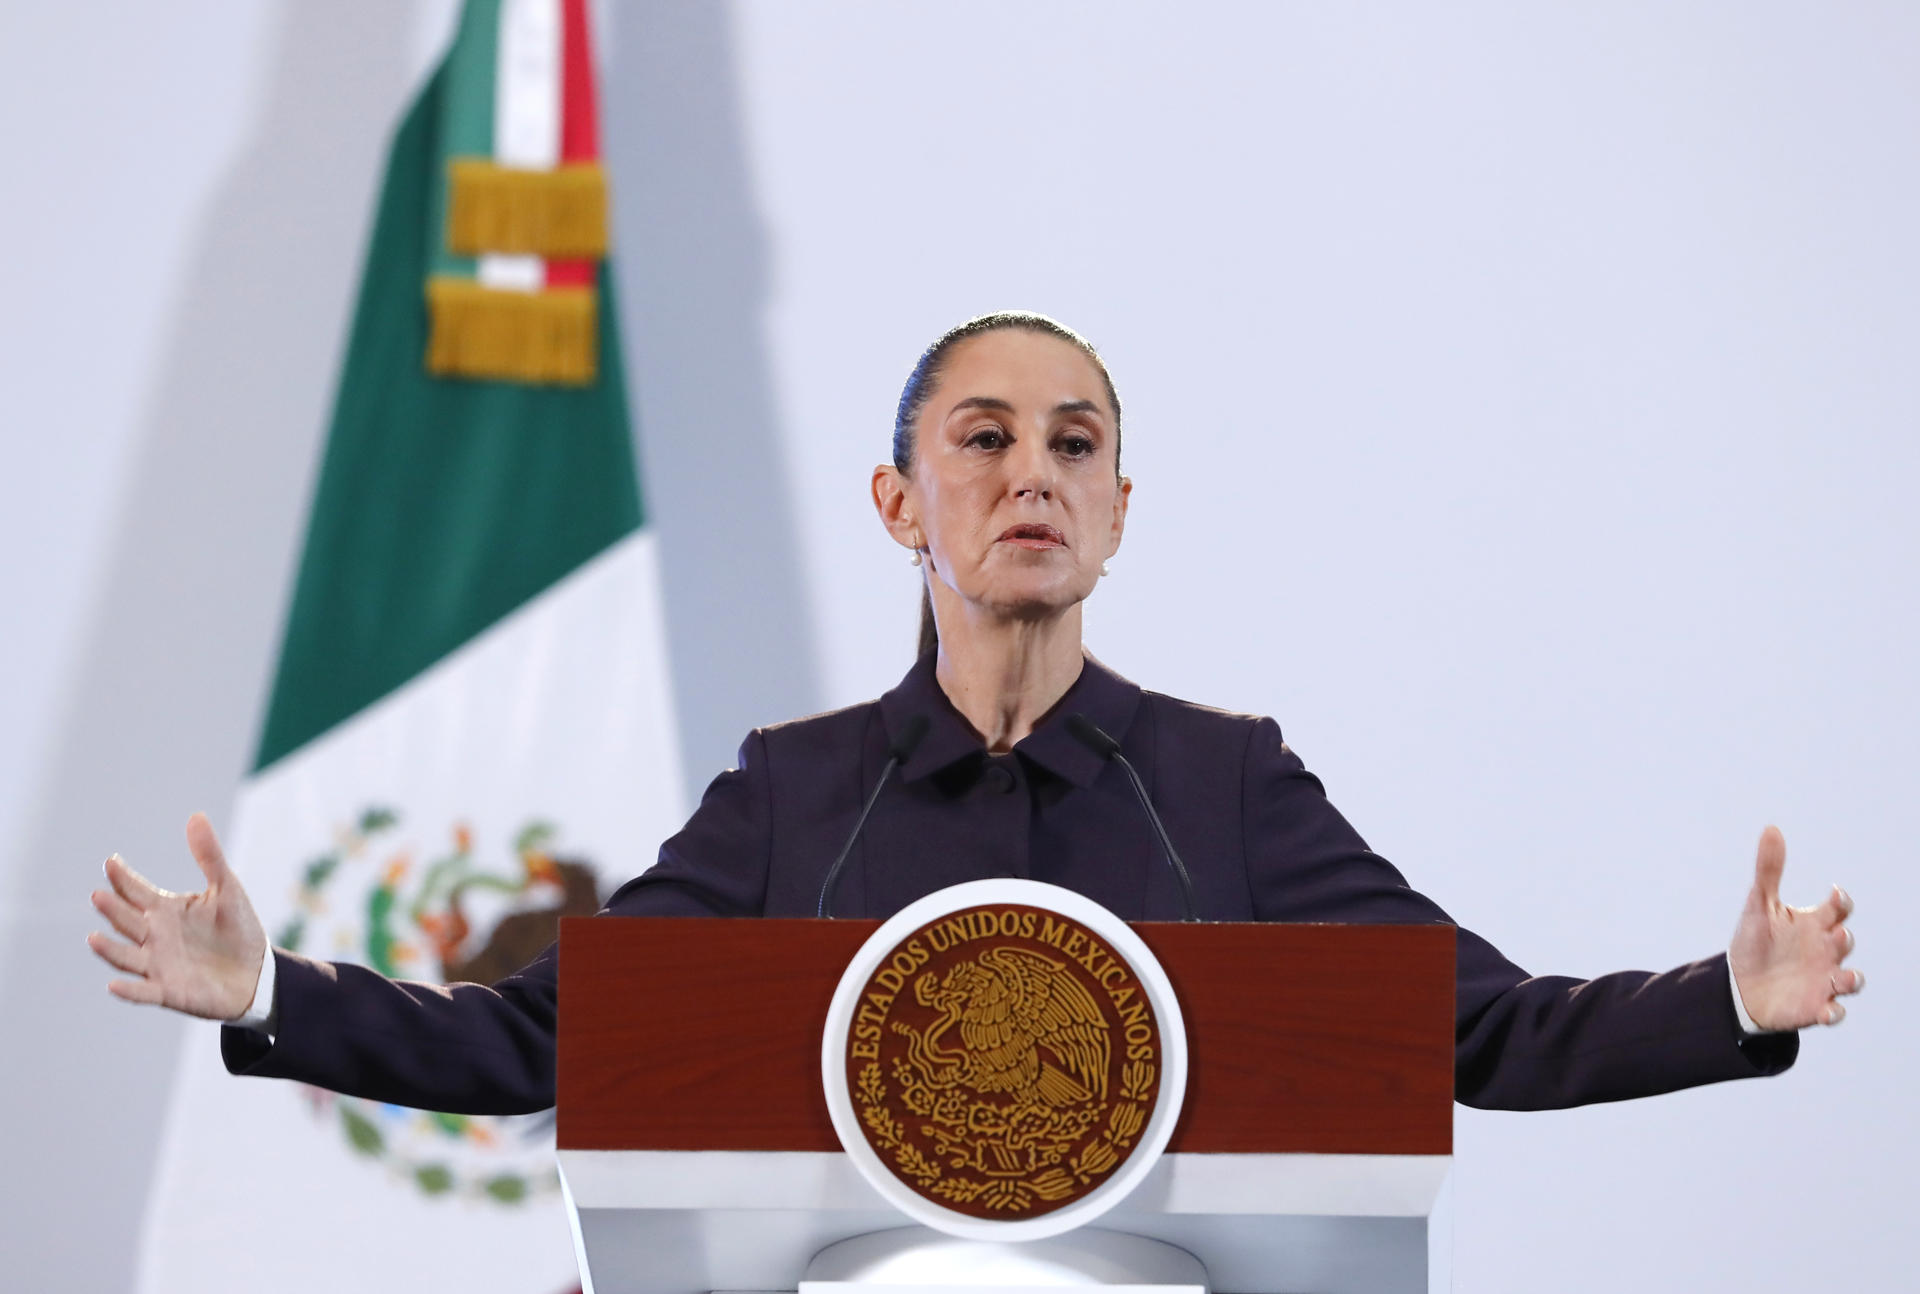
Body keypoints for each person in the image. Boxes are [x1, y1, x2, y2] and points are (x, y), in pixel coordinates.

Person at [88, 311, 1863, 1115]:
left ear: (1118, 508)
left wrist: (1730, 1001)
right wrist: (265, 988)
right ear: (898, 504)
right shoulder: (792, 797)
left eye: (1075, 444)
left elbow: (1479, 1026)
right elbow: (553, 1039)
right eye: (987, 438)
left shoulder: (1226, 786)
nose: (1034, 473)